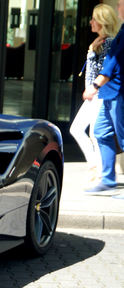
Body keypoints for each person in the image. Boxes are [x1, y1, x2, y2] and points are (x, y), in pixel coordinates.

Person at [70, 4, 119, 183]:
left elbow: (104, 72)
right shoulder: (100, 42)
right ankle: (96, 168)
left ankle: (99, 170)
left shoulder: (108, 43)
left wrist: (93, 88)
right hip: (95, 94)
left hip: (100, 94)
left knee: (93, 132)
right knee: (82, 130)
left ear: (102, 21)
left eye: (94, 19)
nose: (90, 22)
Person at [83, 0, 124, 197]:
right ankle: (108, 180)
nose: (118, 8)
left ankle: (107, 180)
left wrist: (95, 85)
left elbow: (112, 65)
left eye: (121, 5)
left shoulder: (119, 36)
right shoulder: (121, 33)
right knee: (101, 132)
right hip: (110, 95)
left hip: (118, 93)